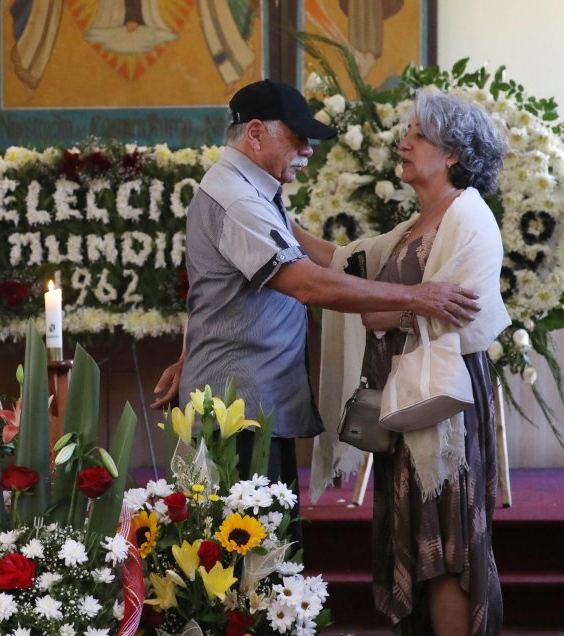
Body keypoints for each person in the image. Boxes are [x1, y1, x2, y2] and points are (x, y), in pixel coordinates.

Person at [151, 79, 481, 544]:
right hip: (239, 409)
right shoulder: (238, 198)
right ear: (257, 134)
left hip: (251, 398)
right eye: (298, 136)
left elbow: (220, 290)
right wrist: (418, 297)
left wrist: (188, 358)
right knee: (247, 567)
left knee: (264, 561)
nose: (308, 150)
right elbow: (305, 283)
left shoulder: (253, 187)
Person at [311, 88, 508, 635]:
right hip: (407, 404)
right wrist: (275, 223)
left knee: (443, 553)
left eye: (418, 134)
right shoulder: (414, 226)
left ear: (452, 154)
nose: (404, 142)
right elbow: (343, 264)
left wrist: (387, 314)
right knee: (420, 548)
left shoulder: (469, 216)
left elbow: (466, 317)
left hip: (444, 407)